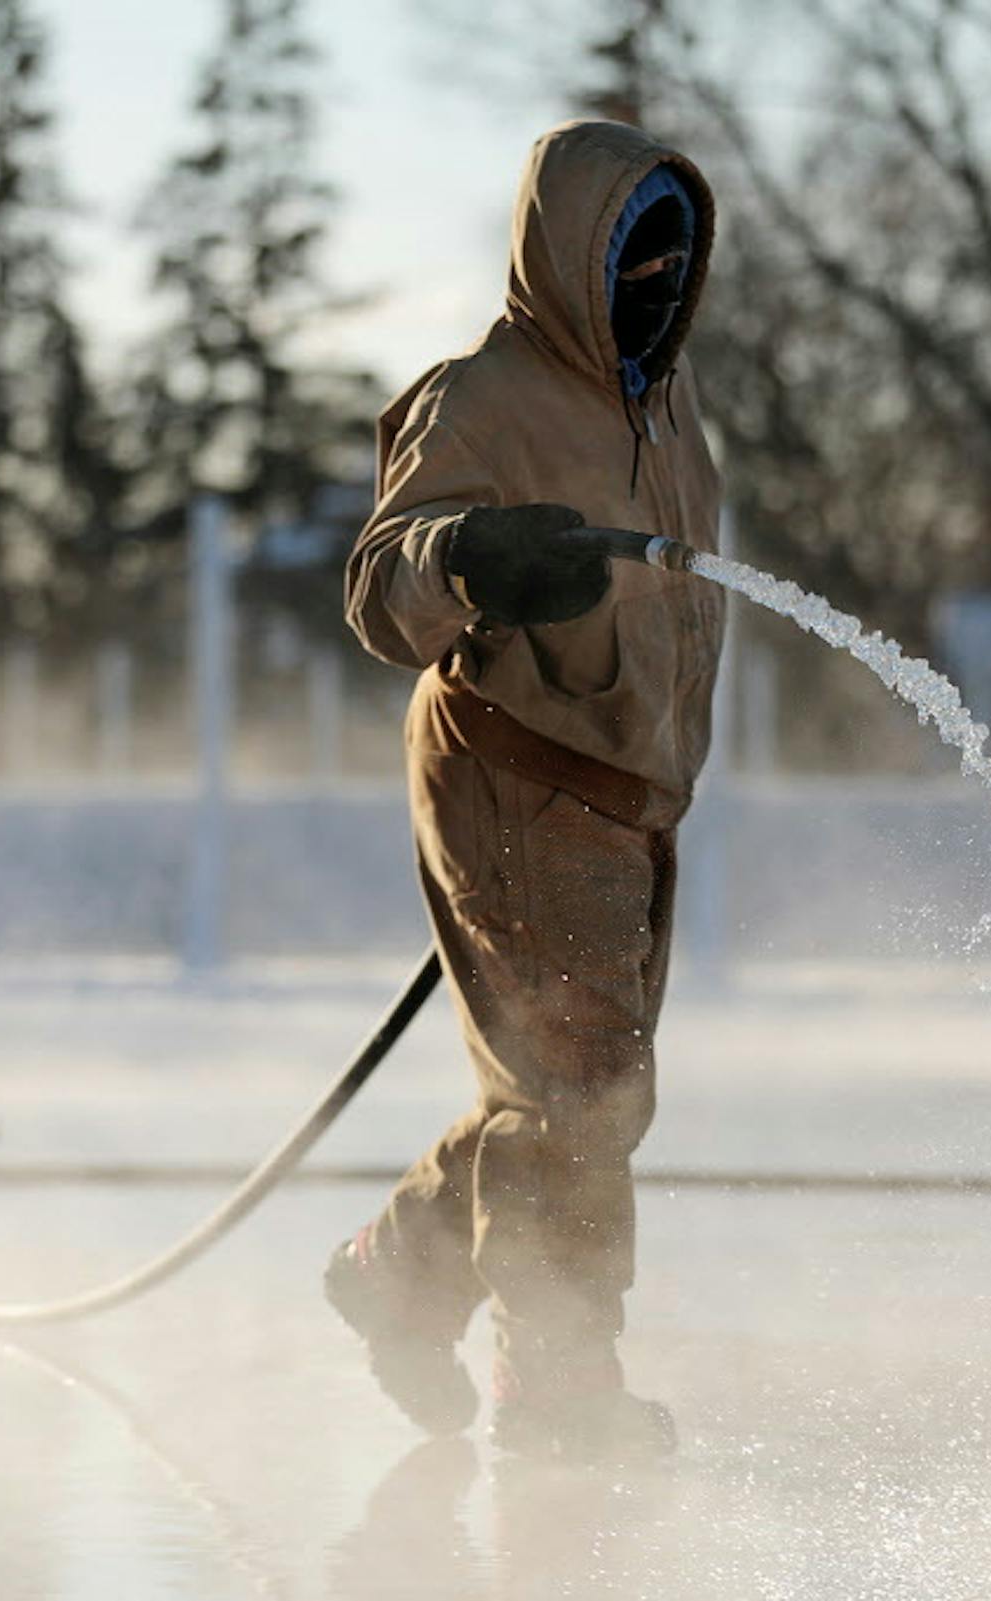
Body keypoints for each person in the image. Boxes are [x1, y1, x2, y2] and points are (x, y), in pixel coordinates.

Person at [328, 119, 724, 1462]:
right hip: (512, 762)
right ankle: (557, 1382)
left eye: (678, 249)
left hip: (623, 792)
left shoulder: (668, 416)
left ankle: (402, 1273)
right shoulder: (480, 397)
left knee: (570, 1088)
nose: (659, 276)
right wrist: (478, 555)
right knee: (583, 1090)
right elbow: (383, 586)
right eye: (631, 249)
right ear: (565, 253)